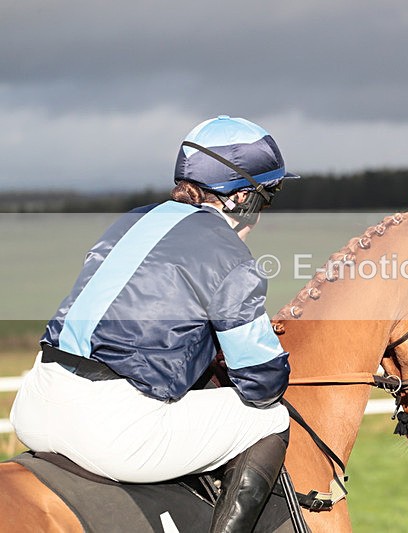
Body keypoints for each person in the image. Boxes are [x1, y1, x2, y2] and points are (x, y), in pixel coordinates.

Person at [11, 115, 300, 532]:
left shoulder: (131, 220)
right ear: (242, 199)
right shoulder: (228, 253)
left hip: (35, 404)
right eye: (265, 199)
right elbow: (263, 384)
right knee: (272, 418)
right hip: (108, 430)